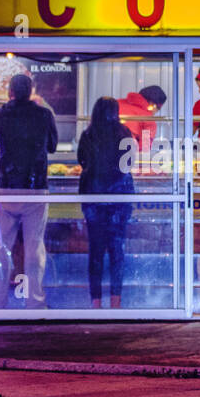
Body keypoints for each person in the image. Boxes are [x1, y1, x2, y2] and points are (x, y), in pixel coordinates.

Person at [0, 73, 58, 310]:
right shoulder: (43, 114)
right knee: (34, 247)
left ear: (10, 91)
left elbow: (3, 143)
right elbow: (52, 146)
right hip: (35, 188)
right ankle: (34, 302)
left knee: (2, 248)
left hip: (7, 186)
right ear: (31, 91)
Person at [78, 97, 135, 309]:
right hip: (120, 198)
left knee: (96, 251)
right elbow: (128, 163)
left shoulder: (88, 134)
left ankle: (95, 302)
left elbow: (82, 162)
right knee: (117, 250)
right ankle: (116, 301)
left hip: (94, 198)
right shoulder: (124, 133)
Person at [116, 85, 166, 156]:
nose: (155, 113)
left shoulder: (116, 103)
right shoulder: (148, 119)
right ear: (153, 105)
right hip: (123, 157)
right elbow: (143, 152)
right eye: (158, 109)